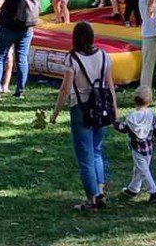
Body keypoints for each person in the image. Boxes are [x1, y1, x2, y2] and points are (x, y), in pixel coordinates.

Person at [49, 21, 116, 211]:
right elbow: (110, 85)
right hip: (101, 107)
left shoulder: (72, 58)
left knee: (84, 155)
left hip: (81, 108)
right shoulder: (104, 56)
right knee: (96, 150)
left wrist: (55, 114)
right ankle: (100, 190)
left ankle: (91, 198)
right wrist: (114, 110)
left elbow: (65, 89)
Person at [115, 88, 156, 202]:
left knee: (143, 170)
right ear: (149, 101)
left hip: (137, 149)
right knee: (140, 168)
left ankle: (154, 192)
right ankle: (133, 188)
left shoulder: (132, 117)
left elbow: (123, 128)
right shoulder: (151, 115)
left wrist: (114, 122)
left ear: (134, 100)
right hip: (148, 148)